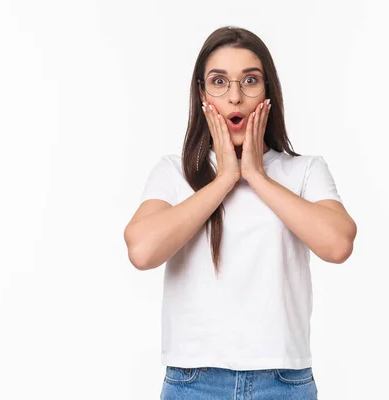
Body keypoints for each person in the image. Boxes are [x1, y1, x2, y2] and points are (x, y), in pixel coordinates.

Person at [123, 25, 357, 400]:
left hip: (284, 381)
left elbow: (338, 244)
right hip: (194, 381)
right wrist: (224, 179)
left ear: (269, 92)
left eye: (250, 80)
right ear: (202, 93)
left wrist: (255, 176)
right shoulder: (173, 171)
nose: (235, 97)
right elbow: (142, 251)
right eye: (219, 81)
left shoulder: (304, 170)